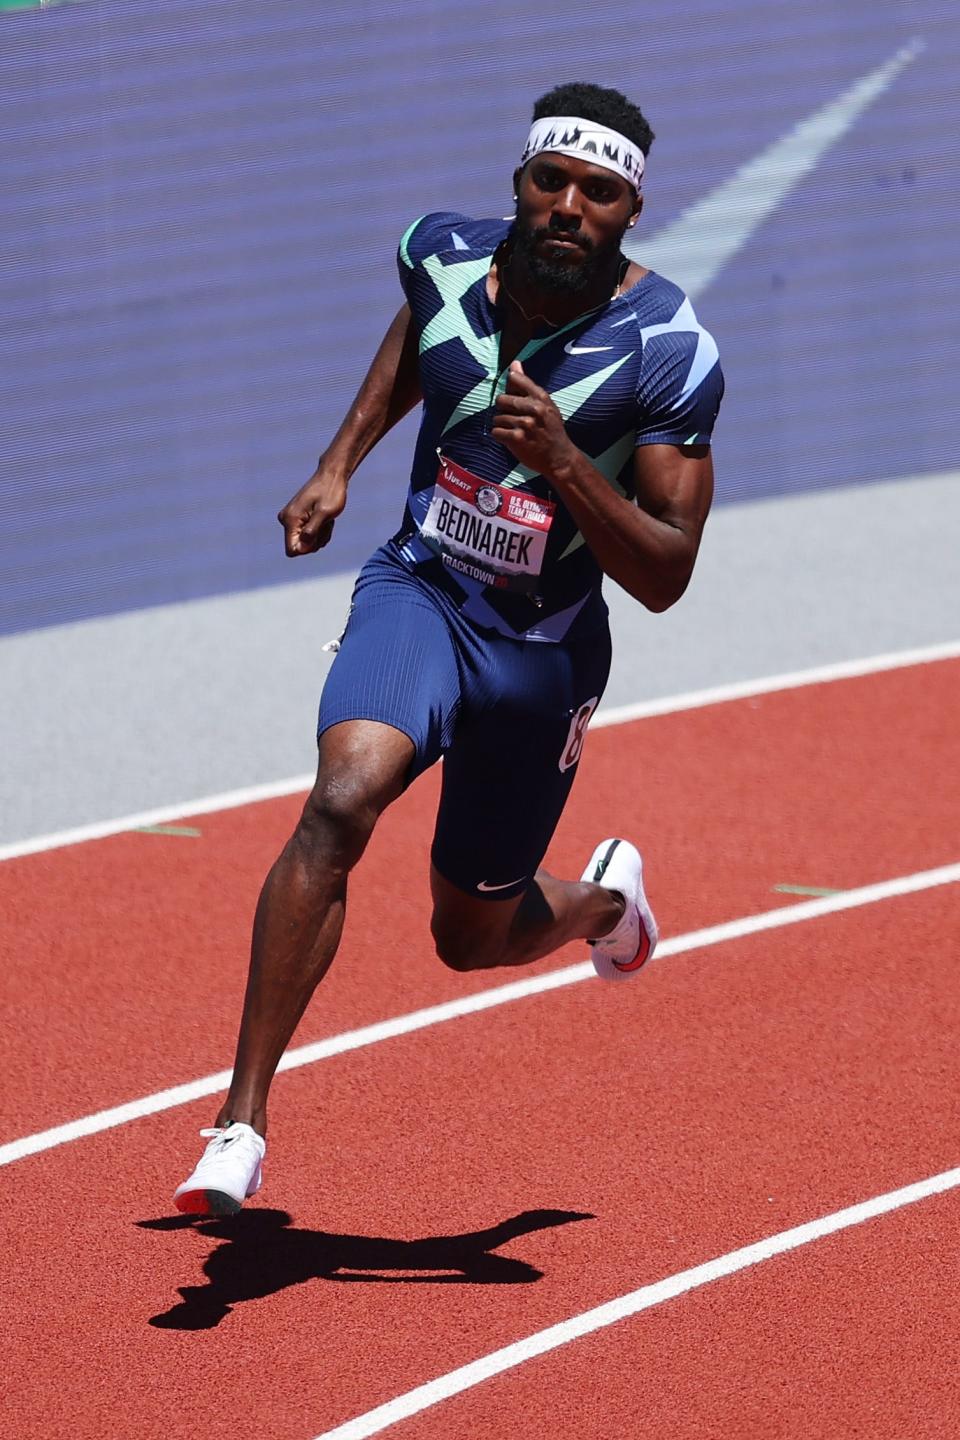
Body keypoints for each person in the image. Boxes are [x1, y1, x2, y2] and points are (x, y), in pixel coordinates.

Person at [174, 82, 724, 1216]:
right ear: (519, 184)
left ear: (631, 211)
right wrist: (338, 464)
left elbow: (668, 574)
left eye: (600, 193)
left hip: (543, 652)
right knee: (341, 800)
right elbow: (412, 349)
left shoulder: (670, 348)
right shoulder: (437, 253)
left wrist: (567, 463)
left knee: (468, 937)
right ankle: (239, 1123)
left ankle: (606, 908)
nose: (570, 207)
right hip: (421, 592)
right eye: (551, 181)